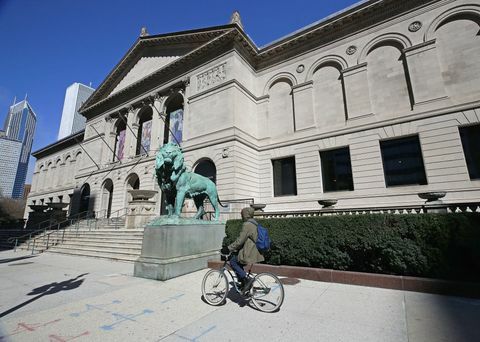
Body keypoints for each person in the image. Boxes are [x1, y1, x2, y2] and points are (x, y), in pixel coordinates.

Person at [221, 207, 264, 294]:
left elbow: (240, 241)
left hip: (250, 252)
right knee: (237, 261)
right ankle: (243, 283)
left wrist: (228, 248)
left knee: (233, 262)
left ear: (245, 215)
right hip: (255, 251)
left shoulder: (247, 225)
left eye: (242, 214)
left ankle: (247, 280)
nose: (241, 216)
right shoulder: (254, 223)